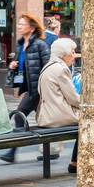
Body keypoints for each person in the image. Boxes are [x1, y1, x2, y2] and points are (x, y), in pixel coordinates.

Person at [2, 14, 50, 163]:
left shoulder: (40, 44)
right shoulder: (21, 44)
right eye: (19, 24)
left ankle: (12, 152)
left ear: (32, 27)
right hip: (28, 87)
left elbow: (48, 66)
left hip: (37, 90)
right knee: (45, 122)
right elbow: (21, 65)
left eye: (22, 24)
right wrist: (13, 65)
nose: (19, 26)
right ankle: (51, 150)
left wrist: (45, 90)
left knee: (18, 116)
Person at [36, 37, 81, 173]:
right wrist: (88, 103)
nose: (74, 56)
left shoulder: (48, 66)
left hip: (46, 116)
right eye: (72, 52)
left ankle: (75, 163)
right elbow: (74, 99)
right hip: (58, 116)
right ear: (64, 54)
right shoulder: (61, 69)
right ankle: (75, 163)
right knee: (90, 123)